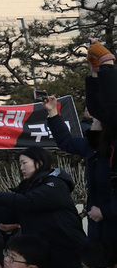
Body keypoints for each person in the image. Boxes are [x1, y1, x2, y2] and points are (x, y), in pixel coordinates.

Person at [0, 146, 86, 268]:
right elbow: (7, 215)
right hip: (43, 255)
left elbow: (28, 202)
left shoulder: (56, 184)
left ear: (40, 162)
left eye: (24, 163)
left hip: (67, 252)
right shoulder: (29, 189)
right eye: (20, 164)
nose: (21, 168)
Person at [43, 94, 117, 242]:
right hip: (97, 221)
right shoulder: (92, 146)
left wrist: (106, 211)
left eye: (95, 120)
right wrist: (53, 113)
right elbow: (66, 141)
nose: (91, 123)